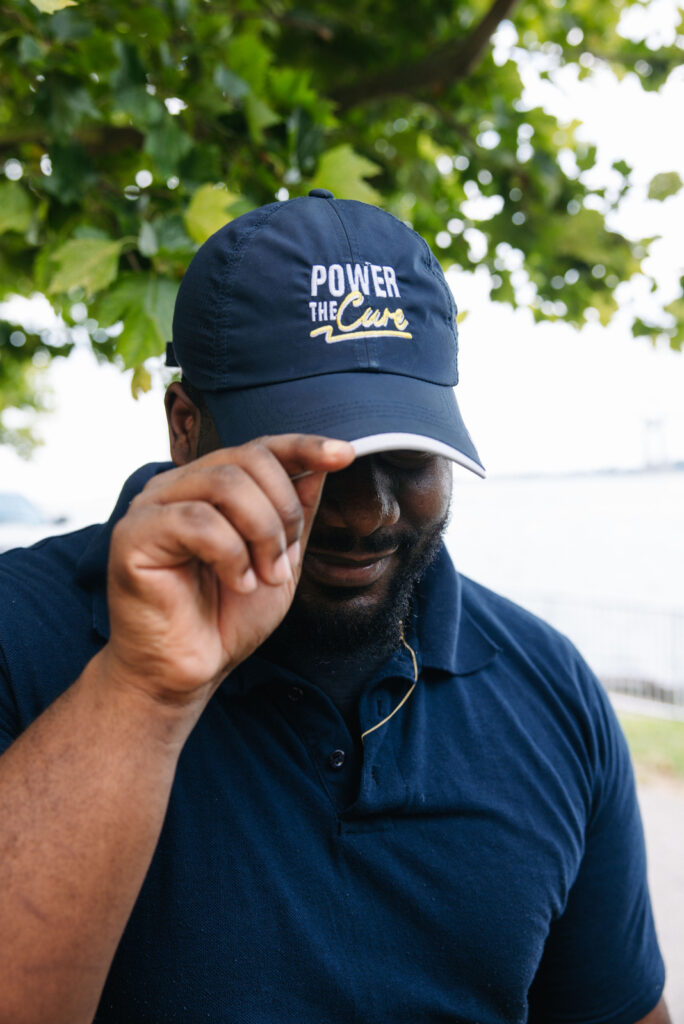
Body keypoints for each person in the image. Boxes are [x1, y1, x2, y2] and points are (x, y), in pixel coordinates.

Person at [0, 190, 669, 1024]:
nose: (370, 512)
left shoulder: (547, 686)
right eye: (315, 457)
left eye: (407, 452)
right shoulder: (18, 637)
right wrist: (142, 688)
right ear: (186, 428)